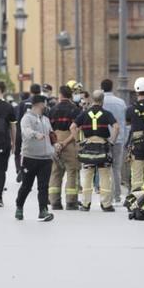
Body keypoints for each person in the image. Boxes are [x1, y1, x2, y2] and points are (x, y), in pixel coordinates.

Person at [71, 90, 119, 212]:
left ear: (92, 99)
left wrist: (78, 142)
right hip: (103, 147)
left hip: (88, 147)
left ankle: (86, 204)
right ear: (102, 100)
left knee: (87, 176)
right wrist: (112, 141)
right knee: (104, 175)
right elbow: (116, 127)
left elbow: (72, 127)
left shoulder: (85, 113)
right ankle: (106, 204)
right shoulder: (107, 113)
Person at [14, 95, 55, 222]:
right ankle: (19, 207)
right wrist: (35, 134)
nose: (46, 106)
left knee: (43, 186)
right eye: (44, 104)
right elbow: (26, 131)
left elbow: (51, 134)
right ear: (38, 104)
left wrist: (55, 145)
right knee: (26, 185)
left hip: (46, 159)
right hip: (30, 158)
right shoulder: (26, 118)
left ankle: (43, 211)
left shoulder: (46, 119)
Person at [48, 81, 84, 210]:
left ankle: (55, 202)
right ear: (70, 95)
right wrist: (65, 142)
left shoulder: (52, 110)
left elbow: (48, 130)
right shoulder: (76, 110)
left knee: (55, 172)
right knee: (72, 172)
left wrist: (56, 143)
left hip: (55, 143)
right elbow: (77, 129)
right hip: (70, 143)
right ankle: (71, 202)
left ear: (60, 95)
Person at [100, 79, 129, 205]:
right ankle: (117, 196)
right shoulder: (121, 102)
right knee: (116, 168)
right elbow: (125, 122)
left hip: (103, 139)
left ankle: (107, 195)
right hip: (119, 139)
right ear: (112, 87)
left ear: (102, 88)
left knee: (104, 168)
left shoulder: (100, 102)